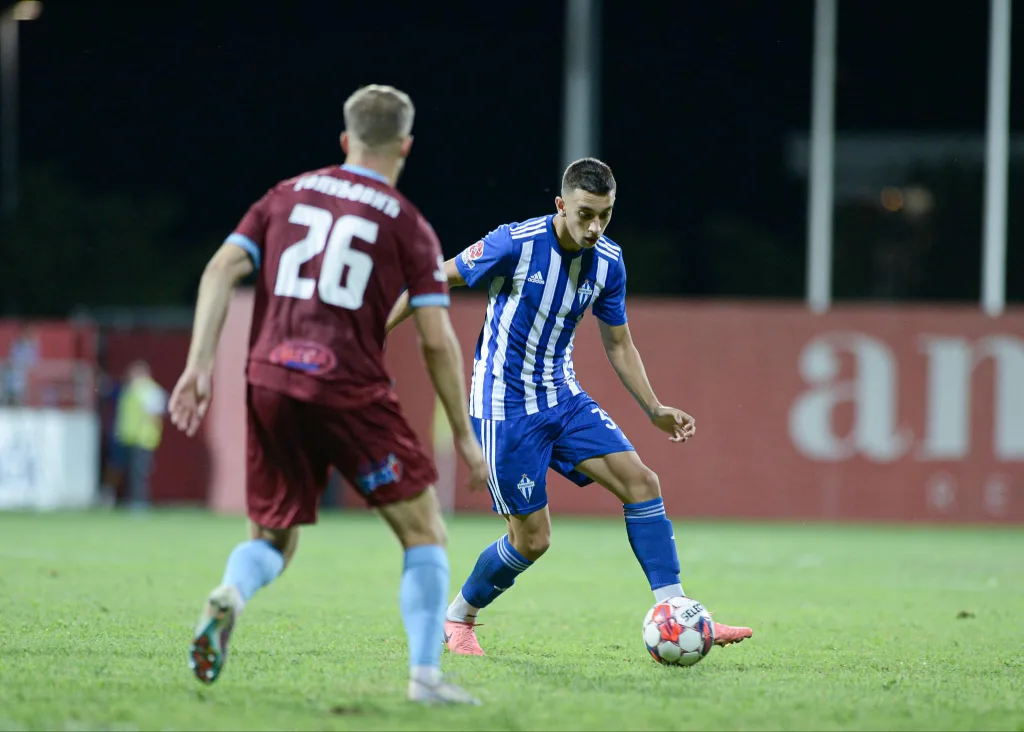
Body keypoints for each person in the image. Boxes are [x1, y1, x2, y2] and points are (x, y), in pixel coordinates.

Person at [168, 85, 488, 705]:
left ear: (345, 141)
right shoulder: (408, 225)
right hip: (347, 385)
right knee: (424, 533)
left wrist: (198, 365)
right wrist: (466, 436)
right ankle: (425, 678)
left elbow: (219, 270)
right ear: (406, 145)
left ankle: (230, 594)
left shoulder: (284, 196)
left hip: (269, 378)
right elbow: (437, 341)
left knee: (270, 538)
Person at [386, 157, 753, 656]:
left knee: (642, 482)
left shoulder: (608, 261)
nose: (594, 226)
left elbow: (619, 344)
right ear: (561, 205)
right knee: (532, 541)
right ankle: (458, 618)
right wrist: (373, 334)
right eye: (584, 214)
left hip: (563, 397)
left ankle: (677, 612)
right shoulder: (513, 243)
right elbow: (433, 280)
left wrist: (653, 408)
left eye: (604, 215)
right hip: (505, 408)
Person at [112, 360, 168, 510]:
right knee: (130, 473)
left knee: (139, 474)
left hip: (144, 439)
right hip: (129, 438)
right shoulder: (132, 390)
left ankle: (140, 504)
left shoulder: (148, 391)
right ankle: (132, 501)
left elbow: (155, 414)